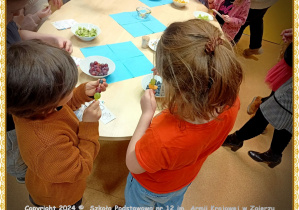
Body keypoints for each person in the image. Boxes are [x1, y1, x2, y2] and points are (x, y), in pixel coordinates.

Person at [124, 19, 243, 208]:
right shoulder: (231, 102)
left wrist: (147, 114)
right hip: (183, 180)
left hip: (150, 189)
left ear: (176, 85)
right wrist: (172, 76)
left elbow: (132, 164)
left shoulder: (163, 135)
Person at [7, 40, 108, 208]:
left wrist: (81, 93)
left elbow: (61, 108)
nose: (72, 88)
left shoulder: (28, 109)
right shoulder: (48, 144)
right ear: (47, 102)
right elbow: (81, 168)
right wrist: (89, 126)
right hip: (59, 199)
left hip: (47, 174)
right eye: (68, 89)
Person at [6, 0, 73, 184]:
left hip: (22, 113)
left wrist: (51, 39)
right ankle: (24, 177)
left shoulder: (7, 20)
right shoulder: (44, 140)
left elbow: (15, 33)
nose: (19, 15)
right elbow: (76, 170)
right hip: (11, 127)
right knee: (18, 158)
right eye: (13, 12)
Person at [222, 30, 293, 168]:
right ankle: (274, 154)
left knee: (269, 111)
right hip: (289, 74)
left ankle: (237, 139)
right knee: (283, 116)